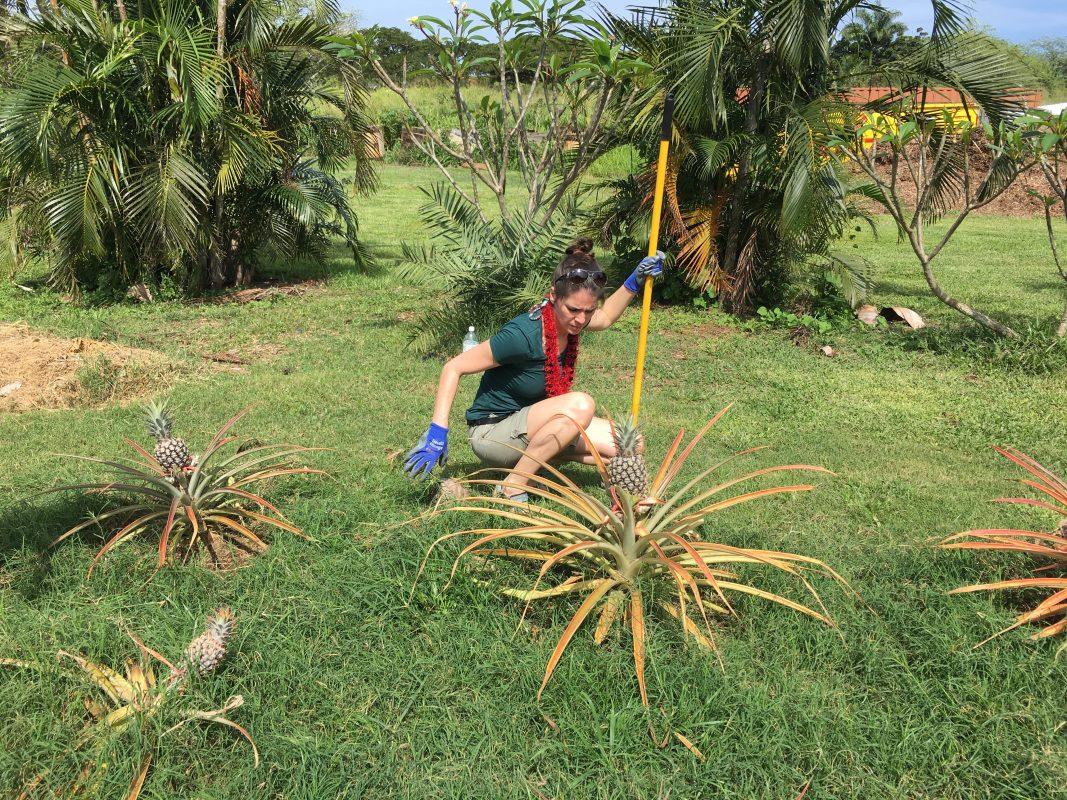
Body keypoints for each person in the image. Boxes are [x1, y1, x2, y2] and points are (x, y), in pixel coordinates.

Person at [403, 239, 664, 501]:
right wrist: (438, 430)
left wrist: (634, 282)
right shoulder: (522, 334)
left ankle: (537, 460)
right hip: (493, 433)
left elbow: (605, 317)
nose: (581, 319)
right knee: (581, 405)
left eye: (588, 311)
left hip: (535, 423)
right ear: (552, 296)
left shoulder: (574, 321)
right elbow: (454, 367)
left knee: (631, 443)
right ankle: (512, 485)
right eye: (573, 309)